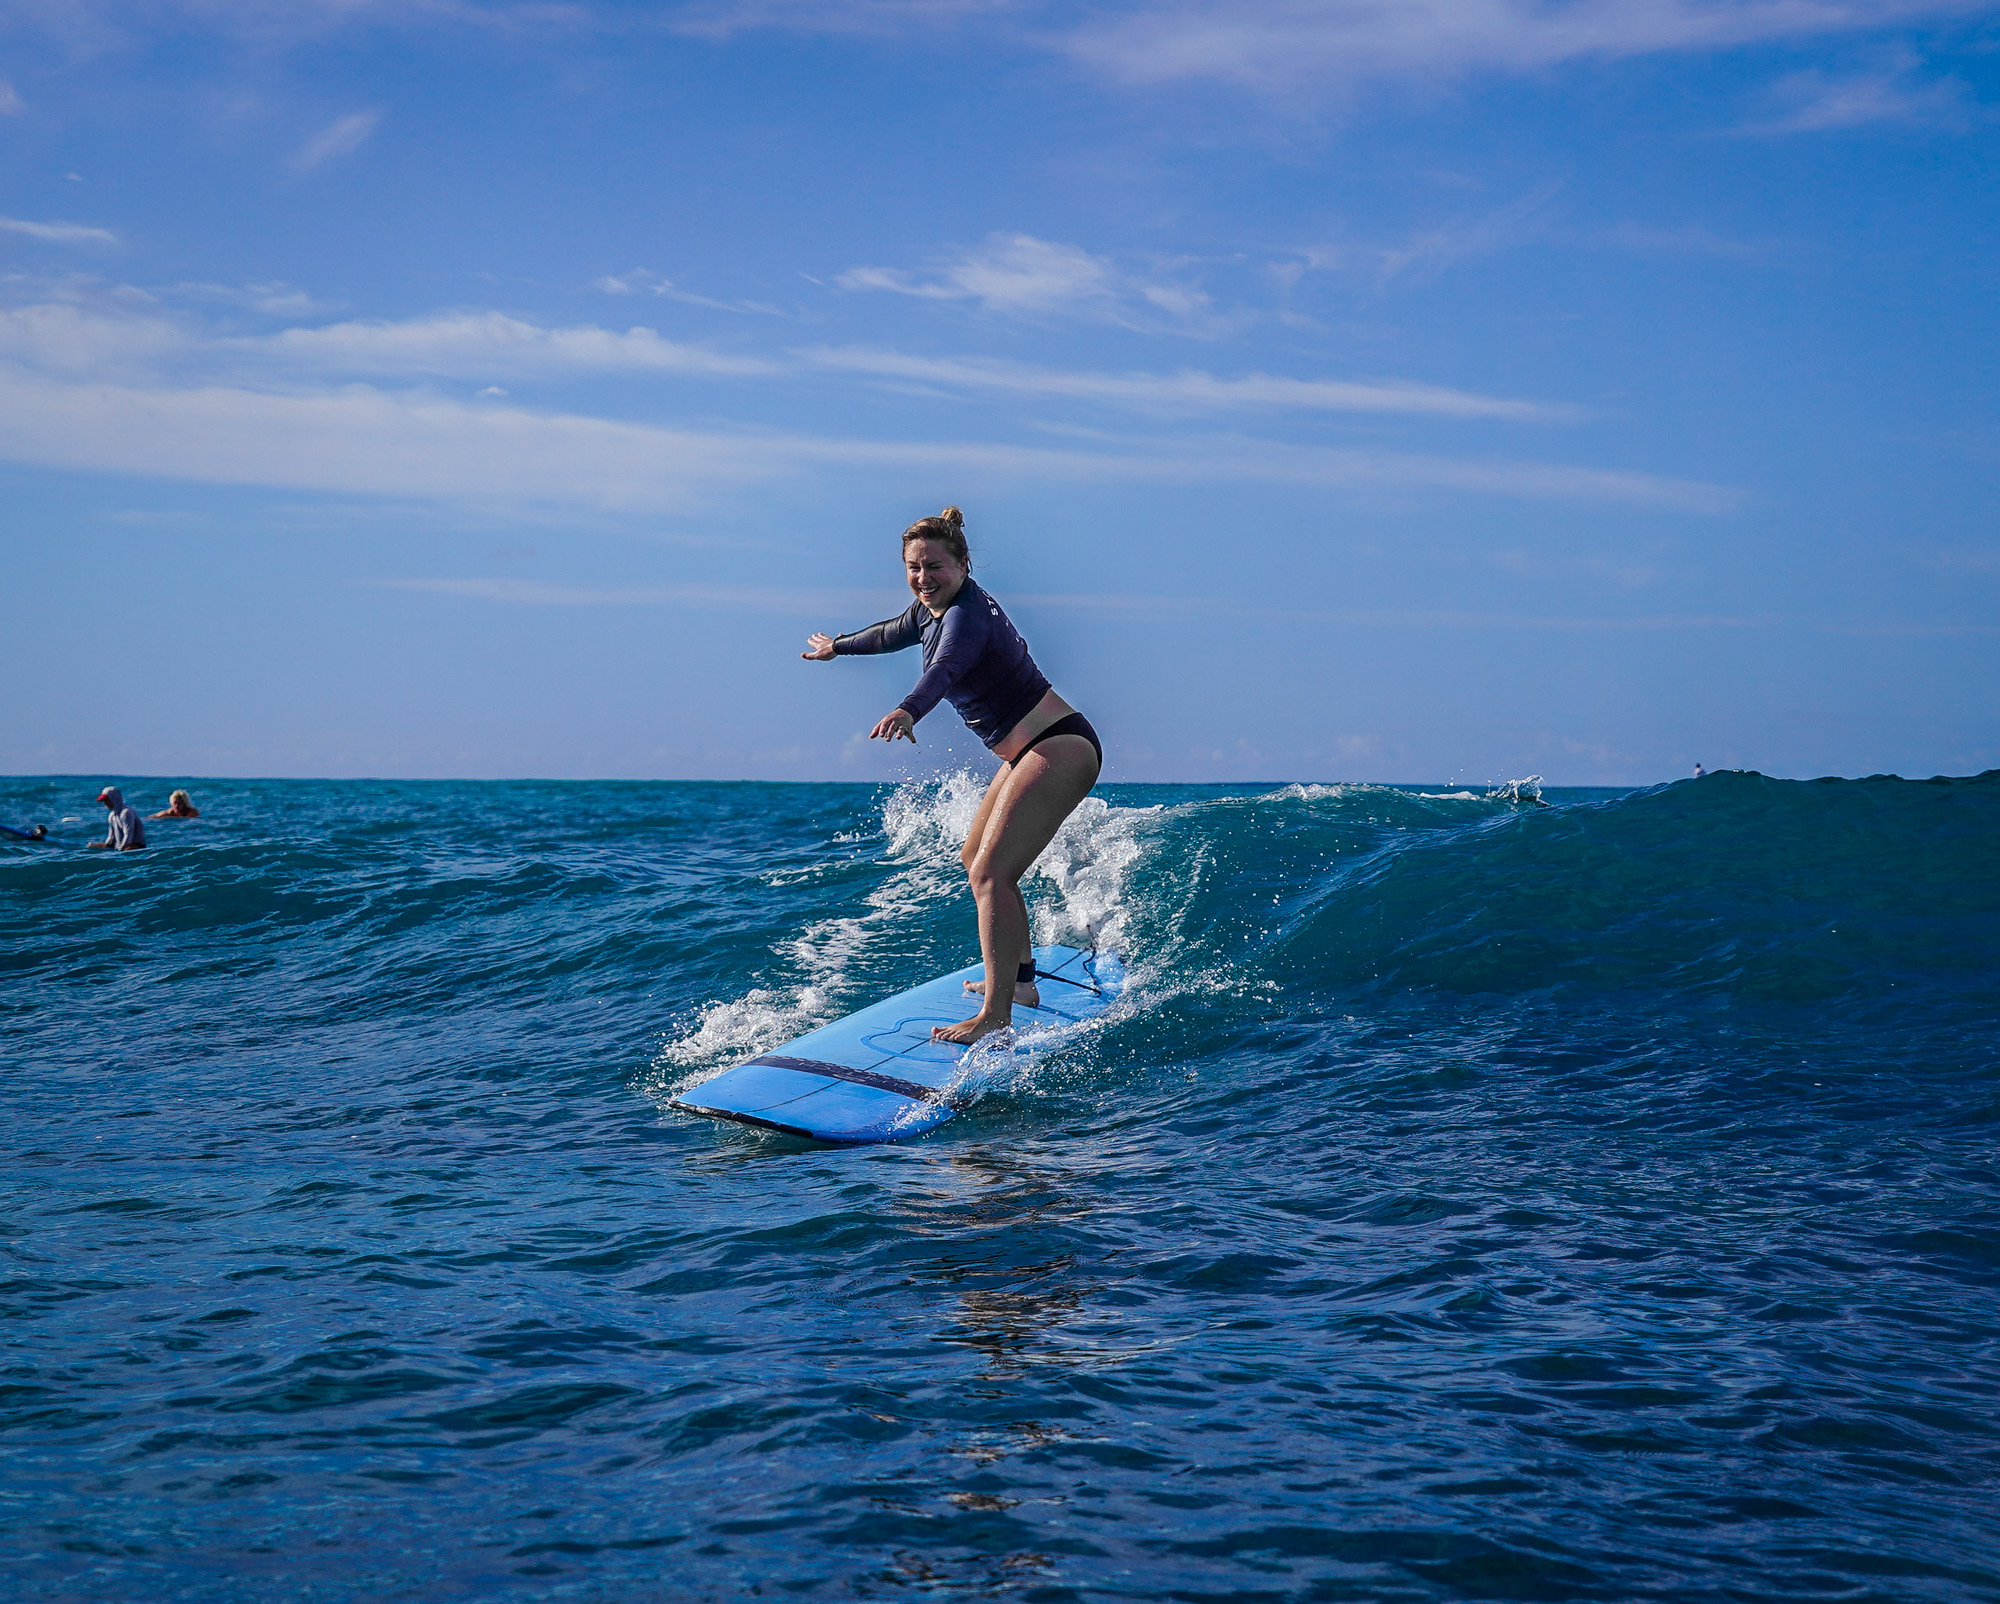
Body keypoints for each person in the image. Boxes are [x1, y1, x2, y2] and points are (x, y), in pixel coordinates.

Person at [804, 506, 1102, 1045]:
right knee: (976, 859)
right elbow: (891, 633)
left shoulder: (965, 616)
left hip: (1059, 745)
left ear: (964, 565)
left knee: (992, 871)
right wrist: (837, 646)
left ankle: (995, 1018)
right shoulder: (930, 611)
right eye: (914, 568)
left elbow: (945, 669)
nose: (923, 578)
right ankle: (1021, 983)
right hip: (1027, 751)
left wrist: (909, 710)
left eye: (934, 567)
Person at [87, 787, 146, 851]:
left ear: (114, 799)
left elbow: (128, 835)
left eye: (106, 800)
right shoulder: (112, 816)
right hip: (121, 846)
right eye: (104, 801)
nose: (105, 803)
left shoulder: (126, 813)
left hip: (135, 846)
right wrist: (96, 846)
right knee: (91, 847)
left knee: (127, 848)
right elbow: (111, 839)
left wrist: (121, 849)